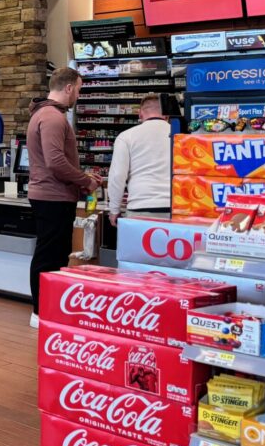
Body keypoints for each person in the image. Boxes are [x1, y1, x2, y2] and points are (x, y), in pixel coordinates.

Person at [27, 68, 102, 328]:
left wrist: (80, 175)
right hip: (53, 197)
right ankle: (41, 312)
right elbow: (56, 162)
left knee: (52, 254)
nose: (78, 96)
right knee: (50, 257)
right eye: (79, 89)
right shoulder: (53, 117)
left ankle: (44, 309)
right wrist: (85, 181)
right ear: (69, 88)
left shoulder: (42, 113)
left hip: (51, 195)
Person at [108, 95, 172, 225]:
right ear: (167, 115)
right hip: (175, 207)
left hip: (140, 206)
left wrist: (114, 209)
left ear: (140, 114)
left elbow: (117, 176)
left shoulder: (126, 136)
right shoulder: (180, 135)